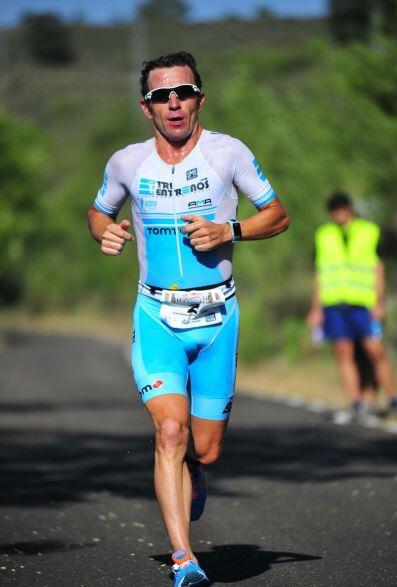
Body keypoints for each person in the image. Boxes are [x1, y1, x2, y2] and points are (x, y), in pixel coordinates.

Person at [88, 51, 289, 585]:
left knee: (205, 448)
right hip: (157, 317)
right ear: (146, 108)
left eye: (182, 92)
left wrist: (232, 231)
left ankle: (194, 471)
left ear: (200, 97)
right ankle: (184, 559)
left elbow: (279, 215)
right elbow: (98, 209)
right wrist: (99, 231)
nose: (172, 102)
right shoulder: (126, 163)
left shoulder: (229, 154)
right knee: (170, 432)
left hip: (218, 316)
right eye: (160, 95)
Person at [307, 191, 397, 423]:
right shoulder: (323, 234)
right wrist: (316, 308)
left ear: (350, 209)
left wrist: (379, 302)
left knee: (375, 350)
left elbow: (378, 269)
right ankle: (357, 402)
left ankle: (392, 397)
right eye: (334, 211)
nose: (339, 215)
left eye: (342, 209)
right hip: (334, 303)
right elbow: (318, 273)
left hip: (364, 304)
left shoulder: (369, 231)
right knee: (344, 352)